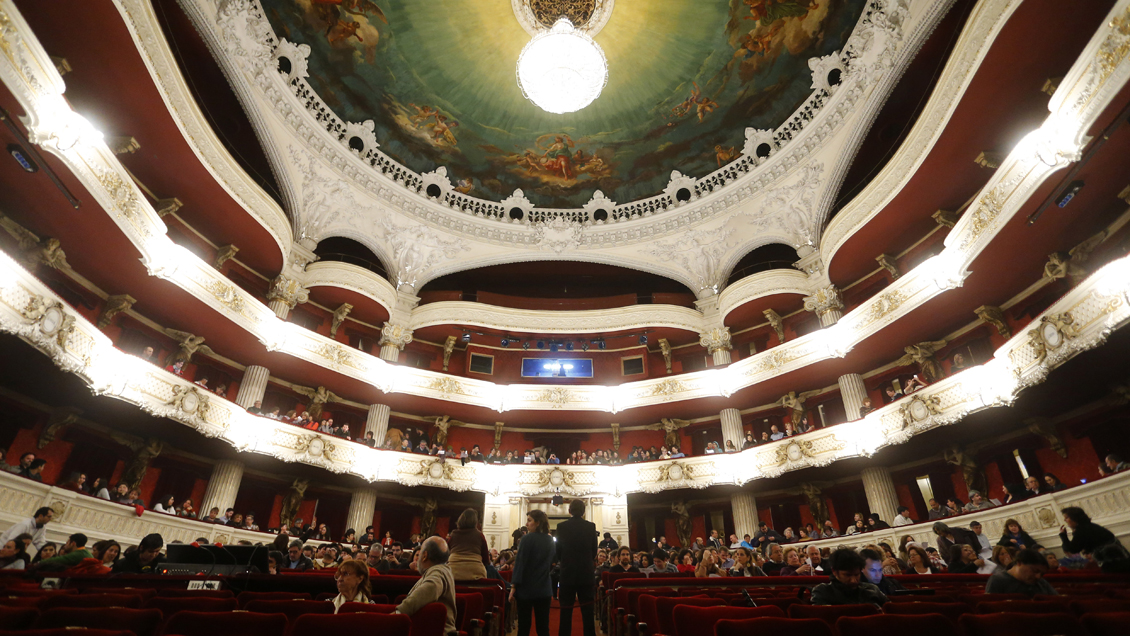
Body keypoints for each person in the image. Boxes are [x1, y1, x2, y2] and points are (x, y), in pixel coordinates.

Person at [396, 537, 457, 634]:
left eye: (419, 555)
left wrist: (398, 613)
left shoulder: (438, 572)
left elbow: (432, 586)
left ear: (424, 556)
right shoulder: (440, 570)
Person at [555, 499, 597, 636]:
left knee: (565, 611)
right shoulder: (591, 526)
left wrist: (566, 562)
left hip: (567, 573)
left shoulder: (561, 527)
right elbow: (594, 551)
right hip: (586, 573)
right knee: (588, 611)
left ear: (569, 511)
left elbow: (558, 551)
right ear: (584, 512)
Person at [510, 510, 555, 636]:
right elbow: (551, 562)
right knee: (543, 627)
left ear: (537, 522)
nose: (527, 523)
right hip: (544, 588)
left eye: (529, 520)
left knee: (524, 626)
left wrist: (513, 586)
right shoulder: (550, 540)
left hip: (526, 589)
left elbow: (520, 564)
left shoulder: (526, 539)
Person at [811, 548, 888, 606]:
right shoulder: (822, 592)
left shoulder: (872, 590)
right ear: (834, 572)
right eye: (848, 575)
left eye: (857, 574)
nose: (853, 580)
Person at [986, 548, 1057, 594]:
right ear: (1019, 563)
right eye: (1034, 571)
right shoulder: (997, 581)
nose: (1038, 576)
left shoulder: (1041, 582)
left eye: (1041, 574)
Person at [449, 508, 489, 580]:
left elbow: (446, 552)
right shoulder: (479, 535)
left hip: (453, 571)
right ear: (475, 521)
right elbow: (485, 558)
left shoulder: (453, 535)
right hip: (476, 571)